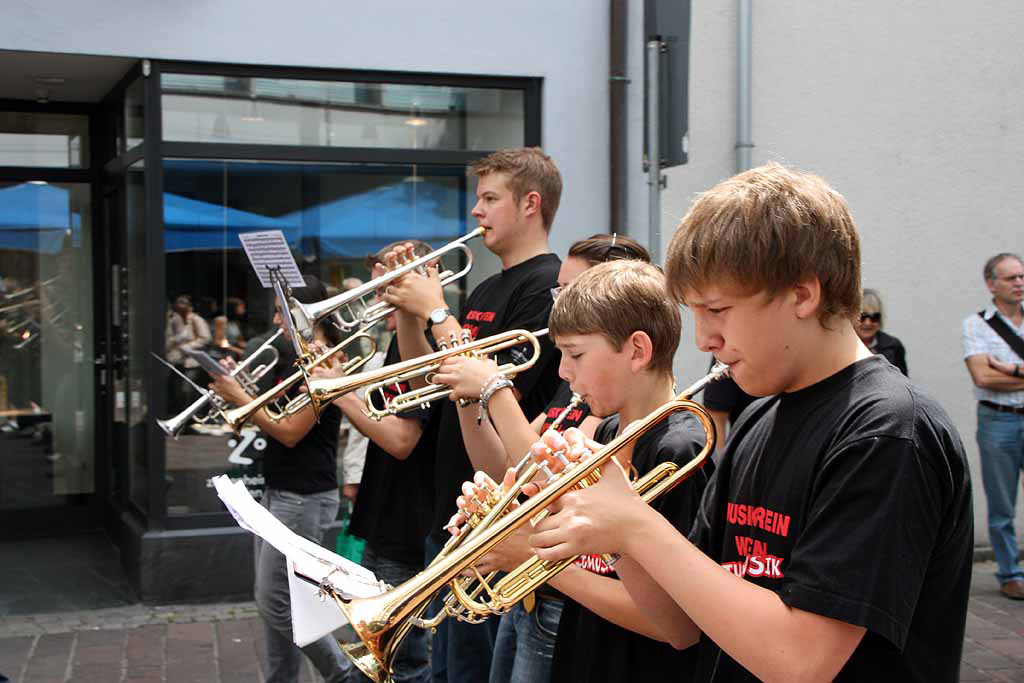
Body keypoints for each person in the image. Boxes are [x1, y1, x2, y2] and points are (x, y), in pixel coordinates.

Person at [527, 163, 973, 682]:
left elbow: (800, 662)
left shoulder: (888, 430)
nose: (703, 340)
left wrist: (634, 522)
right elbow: (680, 625)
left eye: (717, 309)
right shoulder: (760, 415)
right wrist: (606, 527)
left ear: (804, 294)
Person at [446, 260, 710, 683]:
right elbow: (590, 554)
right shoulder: (606, 430)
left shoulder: (678, 448)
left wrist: (530, 553)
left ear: (638, 351)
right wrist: (504, 517)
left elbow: (670, 621)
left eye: (575, 354)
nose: (563, 371)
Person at [381, 147, 565, 683]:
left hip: (495, 518)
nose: (476, 212)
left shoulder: (546, 289)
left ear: (530, 204)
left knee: (471, 671)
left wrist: (438, 311)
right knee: (444, 671)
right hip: (451, 509)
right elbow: (426, 383)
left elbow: (492, 387)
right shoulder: (486, 287)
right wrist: (408, 313)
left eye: (489, 199)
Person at [432, 233, 648, 683]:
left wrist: (494, 387)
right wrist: (468, 397)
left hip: (565, 602)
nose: (559, 305)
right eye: (558, 291)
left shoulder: (608, 403)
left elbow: (558, 478)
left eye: (571, 292)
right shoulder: (571, 386)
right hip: (532, 599)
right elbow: (503, 468)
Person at [210, 275, 351, 683]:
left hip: (305, 495)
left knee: (274, 601)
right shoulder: (292, 358)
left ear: (304, 315)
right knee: (280, 601)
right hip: (280, 490)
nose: (275, 321)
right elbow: (274, 419)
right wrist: (245, 393)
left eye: (280, 312)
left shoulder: (329, 363)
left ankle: (341, 673)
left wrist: (243, 399)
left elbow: (290, 430)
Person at [316, 241, 439, 683]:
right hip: (386, 512)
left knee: (402, 660)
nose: (376, 296)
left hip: (409, 522)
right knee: (385, 656)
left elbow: (403, 438)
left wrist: (340, 393)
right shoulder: (396, 343)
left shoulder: (423, 345)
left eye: (387, 283)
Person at [962, 252, 1024, 600]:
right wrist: (996, 372)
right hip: (997, 419)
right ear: (991, 283)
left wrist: (1011, 370)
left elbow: (996, 373)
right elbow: (982, 376)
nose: (1019, 283)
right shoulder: (977, 324)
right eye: (1011, 277)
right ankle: (1010, 573)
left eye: (1021, 276)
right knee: (1002, 505)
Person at [165, 294, 211, 414]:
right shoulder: (173, 320)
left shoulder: (196, 320)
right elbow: (168, 339)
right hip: (176, 360)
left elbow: (205, 338)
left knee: (187, 390)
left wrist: (187, 346)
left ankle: (190, 417)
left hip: (192, 361)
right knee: (176, 391)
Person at [855, 288, 908, 375]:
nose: (868, 323)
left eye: (874, 317)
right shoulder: (841, 346)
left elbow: (903, 383)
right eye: (862, 317)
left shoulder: (893, 346)